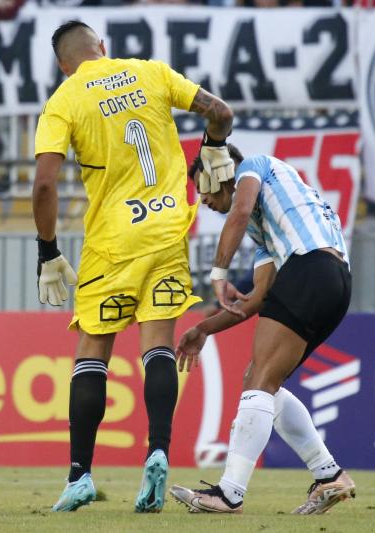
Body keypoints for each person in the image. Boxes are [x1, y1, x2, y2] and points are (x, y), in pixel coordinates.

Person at [32, 20, 233, 513]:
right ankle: (158, 452)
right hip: (167, 234)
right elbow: (220, 113)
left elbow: (43, 184)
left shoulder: (64, 99)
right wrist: (212, 147)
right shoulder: (152, 73)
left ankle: (80, 475)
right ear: (103, 47)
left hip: (112, 245)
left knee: (92, 350)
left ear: (63, 64)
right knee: (157, 347)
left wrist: (48, 250)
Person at [169, 145, 356, 515]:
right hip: (336, 282)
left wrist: (218, 274)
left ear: (220, 174)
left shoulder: (254, 167)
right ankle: (328, 474)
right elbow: (255, 301)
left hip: (310, 268)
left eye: (203, 189)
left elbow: (238, 210)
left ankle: (229, 494)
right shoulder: (268, 227)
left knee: (259, 384)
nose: (203, 199)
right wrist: (205, 329)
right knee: (261, 380)